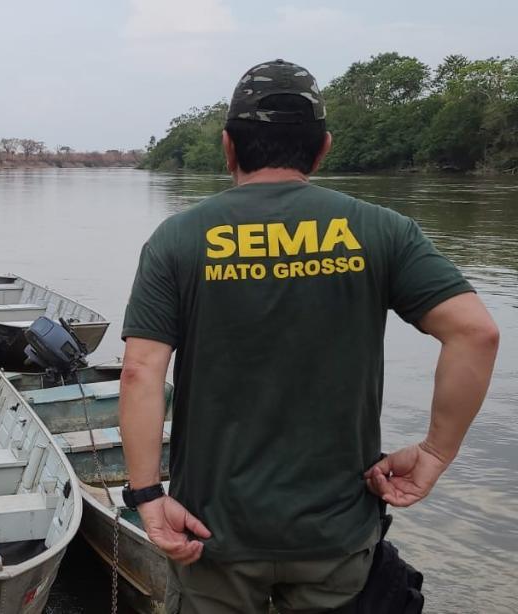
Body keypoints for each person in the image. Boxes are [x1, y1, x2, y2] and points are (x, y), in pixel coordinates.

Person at [118, 59, 499, 613]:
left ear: (229, 147)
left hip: (212, 532)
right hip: (336, 533)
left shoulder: (178, 239)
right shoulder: (381, 229)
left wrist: (149, 497)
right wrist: (437, 451)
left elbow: (139, 372)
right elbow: (476, 333)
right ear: (322, 148)